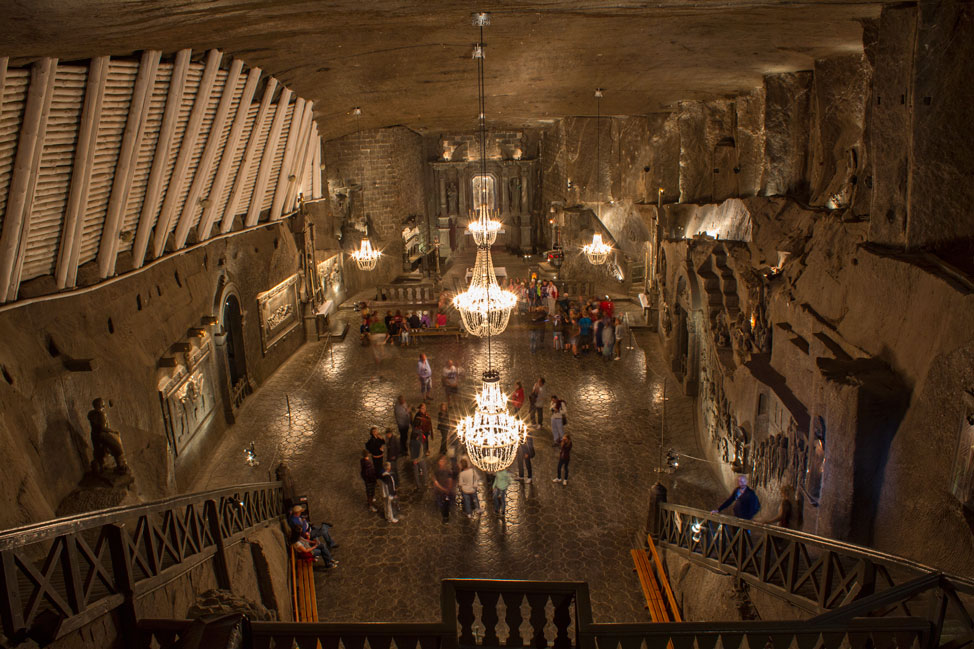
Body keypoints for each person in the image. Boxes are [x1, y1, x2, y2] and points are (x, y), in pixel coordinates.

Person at [433, 456, 456, 523]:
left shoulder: (448, 472)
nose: (442, 462)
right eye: (441, 460)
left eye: (443, 461)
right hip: (440, 492)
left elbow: (450, 484)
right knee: (441, 504)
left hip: (445, 493)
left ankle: (446, 518)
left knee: (445, 506)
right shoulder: (437, 471)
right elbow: (435, 480)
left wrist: (445, 489)